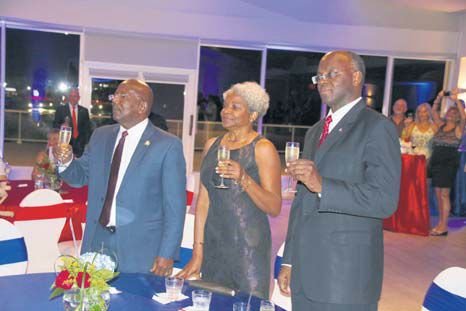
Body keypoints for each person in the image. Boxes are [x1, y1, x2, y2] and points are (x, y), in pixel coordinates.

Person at [277, 51, 401, 310]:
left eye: (332, 73)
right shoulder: (314, 132)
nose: (323, 80)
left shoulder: (377, 128)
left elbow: (384, 200)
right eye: (319, 75)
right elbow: (302, 203)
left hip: (345, 279)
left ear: (356, 77)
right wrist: (289, 260)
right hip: (305, 273)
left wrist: (323, 186)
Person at [55, 79, 186, 275]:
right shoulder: (100, 135)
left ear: (142, 106)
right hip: (97, 241)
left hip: (140, 249)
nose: (115, 101)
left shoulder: (167, 145)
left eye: (122, 96)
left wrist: (167, 254)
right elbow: (80, 176)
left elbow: (175, 208)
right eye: (114, 96)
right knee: (94, 302)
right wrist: (66, 161)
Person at [177, 81, 282, 298]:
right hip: (214, 245)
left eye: (235, 107)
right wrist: (198, 250)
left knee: (246, 304)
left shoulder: (263, 148)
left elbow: (274, 206)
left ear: (253, 115)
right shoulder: (211, 145)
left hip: (248, 248)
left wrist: (244, 178)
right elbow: (203, 202)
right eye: (226, 105)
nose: (226, 111)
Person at [429, 89, 466, 236]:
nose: (451, 113)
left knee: (444, 194)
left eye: (454, 112)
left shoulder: (459, 128)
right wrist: (439, 96)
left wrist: (456, 100)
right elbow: (433, 111)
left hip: (448, 163)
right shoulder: (441, 125)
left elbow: (464, 117)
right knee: (438, 193)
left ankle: (443, 226)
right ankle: (440, 224)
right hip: (437, 162)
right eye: (450, 111)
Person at [53, 88, 91, 157]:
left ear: (78, 98)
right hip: (65, 144)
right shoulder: (60, 109)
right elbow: (55, 126)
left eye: (75, 96)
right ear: (68, 97)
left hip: (80, 146)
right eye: (71, 96)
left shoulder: (84, 111)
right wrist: (62, 126)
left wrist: (87, 144)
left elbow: (87, 129)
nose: (72, 98)